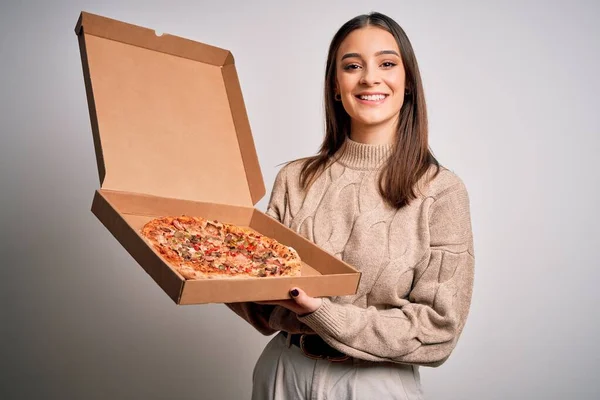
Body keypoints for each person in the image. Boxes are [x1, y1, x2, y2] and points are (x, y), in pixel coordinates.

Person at [227, 11, 474, 400]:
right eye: (352, 65)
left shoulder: (442, 192)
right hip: (284, 372)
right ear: (335, 86)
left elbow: (437, 330)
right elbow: (258, 303)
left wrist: (320, 312)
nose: (369, 78)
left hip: (373, 384)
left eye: (387, 64)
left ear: (407, 83)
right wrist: (214, 263)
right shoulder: (295, 179)